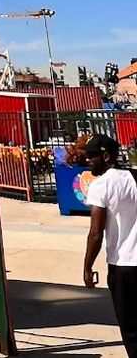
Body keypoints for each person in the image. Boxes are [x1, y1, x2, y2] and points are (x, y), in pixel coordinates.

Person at [83, 133, 137, 358]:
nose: (88, 161)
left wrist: (87, 267)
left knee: (132, 328)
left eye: (92, 156)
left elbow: (96, 233)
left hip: (123, 266)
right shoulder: (134, 177)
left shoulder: (100, 185)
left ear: (106, 156)